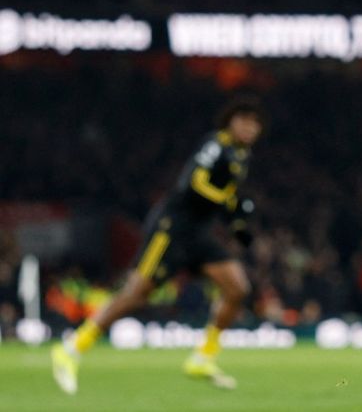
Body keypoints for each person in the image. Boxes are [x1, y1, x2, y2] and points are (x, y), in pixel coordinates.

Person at [51, 97, 265, 394]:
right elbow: (195, 182)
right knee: (136, 295)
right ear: (230, 122)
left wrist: (237, 223)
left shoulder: (242, 156)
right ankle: (72, 347)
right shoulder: (216, 144)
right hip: (172, 228)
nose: (249, 127)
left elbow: (225, 198)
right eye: (243, 120)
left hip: (199, 232)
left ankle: (203, 358)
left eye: (254, 123)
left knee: (237, 288)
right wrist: (228, 201)